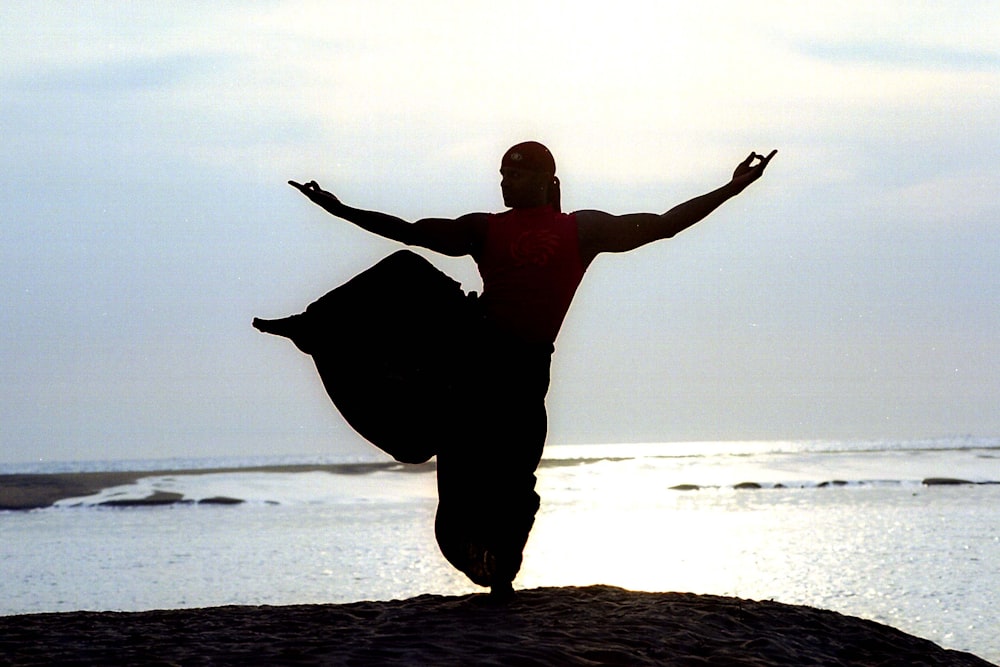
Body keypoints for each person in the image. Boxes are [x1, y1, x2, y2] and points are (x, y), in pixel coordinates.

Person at [281, 141, 776, 600]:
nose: (504, 184)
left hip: (525, 370)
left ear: (545, 179)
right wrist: (336, 208)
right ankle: (315, 325)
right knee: (406, 267)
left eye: (515, 176)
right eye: (501, 176)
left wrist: (732, 188)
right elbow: (410, 229)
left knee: (517, 483)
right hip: (475, 350)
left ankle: (501, 576)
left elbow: (664, 223)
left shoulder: (583, 230)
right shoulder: (485, 228)